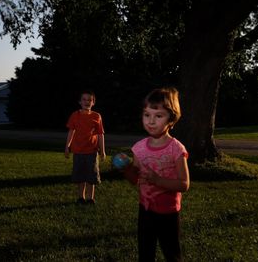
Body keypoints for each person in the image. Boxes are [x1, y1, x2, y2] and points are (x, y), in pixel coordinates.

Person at [122, 87, 190, 262]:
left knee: (172, 253)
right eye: (147, 115)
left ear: (171, 119)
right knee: (145, 253)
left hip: (168, 212)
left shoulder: (176, 149)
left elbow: (184, 184)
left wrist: (158, 180)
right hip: (145, 209)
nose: (151, 121)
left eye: (158, 116)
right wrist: (126, 168)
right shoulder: (139, 148)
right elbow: (134, 179)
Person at [65, 90, 106, 205]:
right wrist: (67, 146)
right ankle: (80, 197)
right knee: (80, 176)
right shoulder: (75, 115)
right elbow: (71, 131)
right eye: (84, 99)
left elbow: (100, 134)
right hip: (78, 151)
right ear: (79, 102)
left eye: (90, 100)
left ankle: (90, 198)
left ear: (93, 103)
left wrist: (102, 150)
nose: (87, 102)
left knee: (91, 177)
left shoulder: (96, 116)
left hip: (92, 152)